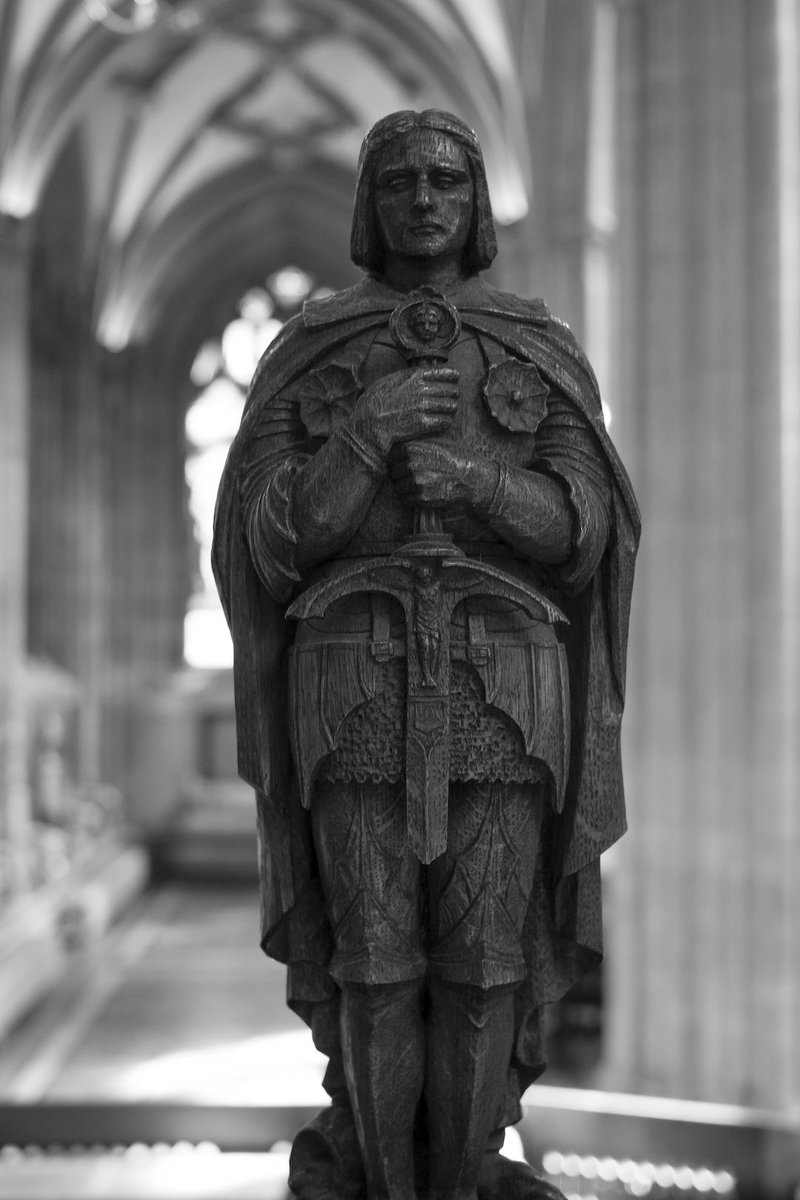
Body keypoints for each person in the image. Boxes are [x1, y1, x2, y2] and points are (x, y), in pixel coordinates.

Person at [213, 109, 639, 1200]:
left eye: (447, 179)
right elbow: (272, 536)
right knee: (371, 958)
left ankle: (463, 1175)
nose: (424, 199)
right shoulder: (315, 348)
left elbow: (584, 526)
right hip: (350, 679)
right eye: (400, 180)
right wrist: (368, 430)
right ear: (370, 201)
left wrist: (478, 483)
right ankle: (382, 1180)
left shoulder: (531, 344)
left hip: (505, 687)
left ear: (475, 198)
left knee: (487, 963)